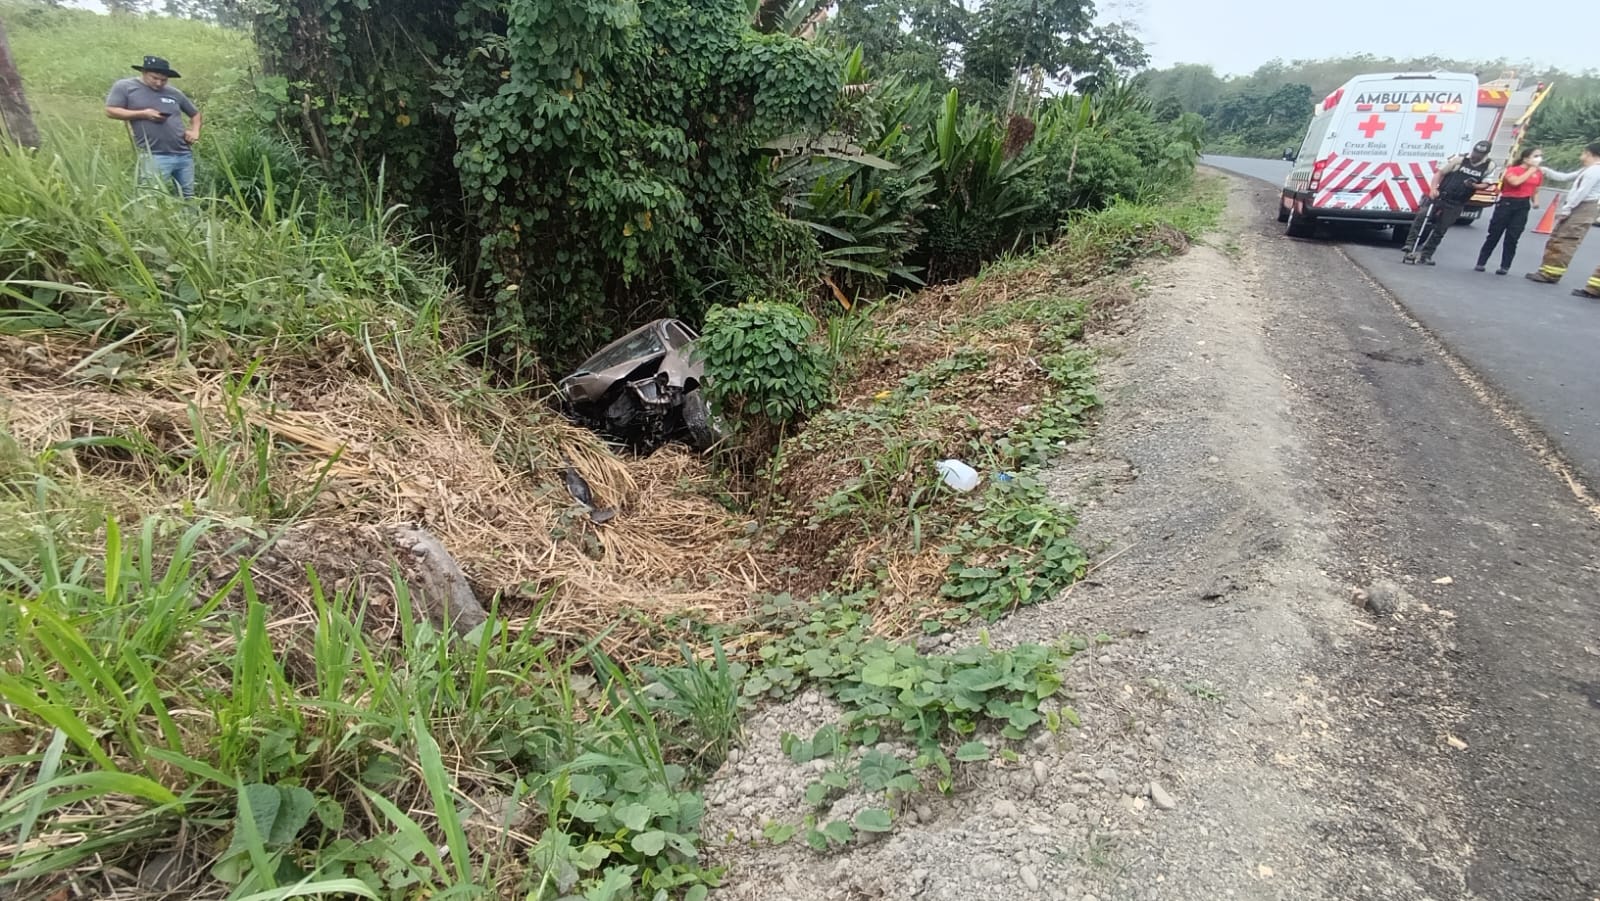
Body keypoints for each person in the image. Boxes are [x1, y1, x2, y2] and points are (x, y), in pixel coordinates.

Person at [104, 55, 202, 199]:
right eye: (154, 78)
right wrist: (143, 114)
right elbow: (110, 110)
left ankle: (191, 220)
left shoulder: (174, 93)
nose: (159, 83)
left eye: (163, 80)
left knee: (187, 195)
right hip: (154, 155)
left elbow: (195, 114)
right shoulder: (126, 87)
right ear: (144, 73)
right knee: (152, 196)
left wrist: (194, 131)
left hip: (183, 153)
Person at [1402, 140, 1495, 266]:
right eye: (1475, 152)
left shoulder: (1489, 166)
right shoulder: (1460, 160)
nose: (1476, 155)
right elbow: (1440, 173)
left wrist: (1474, 185)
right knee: (1422, 217)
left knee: (1441, 229)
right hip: (1442, 195)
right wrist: (1433, 189)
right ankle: (1409, 244)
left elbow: (1486, 184)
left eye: (1480, 154)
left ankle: (1426, 255)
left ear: (1486, 154)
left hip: (1458, 201)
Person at [1525, 142, 1600, 286]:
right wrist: (1544, 170)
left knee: (1566, 240)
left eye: (1584, 153)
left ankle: (1551, 274)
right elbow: (1564, 177)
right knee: (1559, 238)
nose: (1581, 156)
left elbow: (1581, 192)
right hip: (1581, 207)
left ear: (1590, 154)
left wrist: (1567, 209)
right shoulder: (1588, 169)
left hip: (1583, 208)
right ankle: (1547, 271)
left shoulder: (1594, 171)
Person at [1474, 147, 1545, 275]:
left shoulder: (1538, 173)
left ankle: (1505, 266)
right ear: (1525, 158)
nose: (1538, 159)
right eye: (1535, 156)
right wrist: (1530, 170)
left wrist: (1536, 201)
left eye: (1540, 156)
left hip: (1522, 205)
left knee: (1512, 237)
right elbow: (1515, 182)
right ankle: (1481, 262)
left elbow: (1535, 188)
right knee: (1494, 235)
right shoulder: (1513, 170)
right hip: (1507, 203)